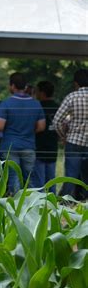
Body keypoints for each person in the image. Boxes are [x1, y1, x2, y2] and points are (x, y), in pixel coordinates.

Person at [0, 72, 45, 193]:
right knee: (29, 177)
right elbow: (41, 127)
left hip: (10, 145)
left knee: (13, 176)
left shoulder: (6, 103)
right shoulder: (36, 104)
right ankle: (32, 204)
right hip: (29, 145)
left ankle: (16, 205)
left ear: (12, 86)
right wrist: (28, 130)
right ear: (26, 87)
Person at [52, 68, 88, 198]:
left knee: (70, 176)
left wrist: (64, 135)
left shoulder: (72, 97)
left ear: (76, 83)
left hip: (74, 141)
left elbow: (56, 121)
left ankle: (66, 204)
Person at [32, 81, 59, 193]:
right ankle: (53, 201)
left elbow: (34, 125)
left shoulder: (37, 106)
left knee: (39, 180)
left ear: (42, 92)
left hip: (39, 145)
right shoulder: (58, 107)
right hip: (53, 145)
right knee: (51, 178)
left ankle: (40, 202)